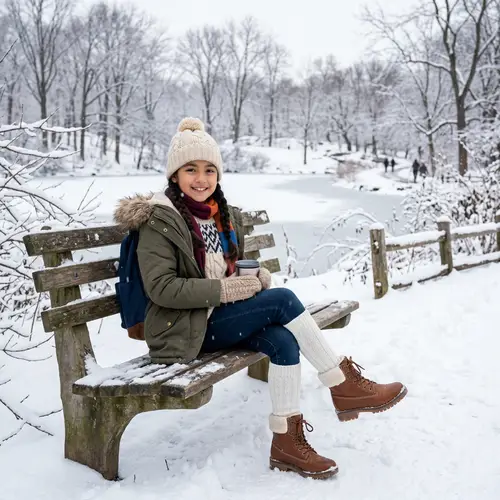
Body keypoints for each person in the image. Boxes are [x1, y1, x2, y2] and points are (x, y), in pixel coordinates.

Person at [114, 117, 407, 480]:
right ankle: (342, 384)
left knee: (283, 341)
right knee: (283, 300)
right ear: (175, 175)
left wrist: (250, 279)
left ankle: (286, 443)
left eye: (209, 170)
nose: (201, 179)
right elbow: (163, 289)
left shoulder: (217, 216)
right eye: (191, 169)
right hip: (181, 329)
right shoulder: (160, 220)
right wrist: (226, 289)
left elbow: (220, 271)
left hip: (211, 317)